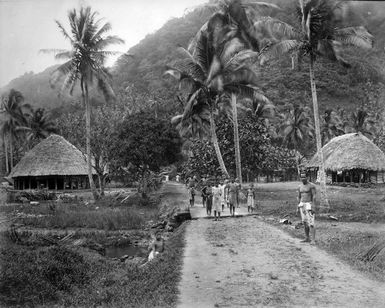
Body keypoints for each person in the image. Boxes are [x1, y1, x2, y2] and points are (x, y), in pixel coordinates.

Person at [297, 173, 317, 244]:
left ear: (307, 177)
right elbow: (299, 197)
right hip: (302, 205)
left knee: (311, 223)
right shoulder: (299, 186)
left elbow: (314, 196)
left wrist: (313, 206)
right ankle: (307, 237)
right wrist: (298, 206)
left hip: (309, 204)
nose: (303, 178)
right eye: (301, 177)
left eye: (304, 177)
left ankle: (313, 240)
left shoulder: (311, 186)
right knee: (305, 222)